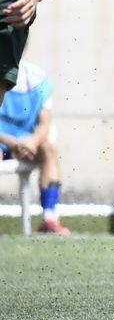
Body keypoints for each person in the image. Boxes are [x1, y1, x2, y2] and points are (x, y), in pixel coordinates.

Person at [0, 60, 64, 234]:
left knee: (49, 149)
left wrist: (32, 142)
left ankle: (50, 218)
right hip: (2, 140)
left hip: (27, 144)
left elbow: (45, 123)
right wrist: (8, 141)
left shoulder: (38, 79)